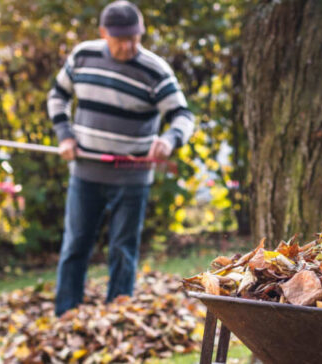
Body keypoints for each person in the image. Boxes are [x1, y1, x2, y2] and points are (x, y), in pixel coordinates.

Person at [46, 0, 194, 316]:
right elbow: (57, 96)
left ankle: (118, 318)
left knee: (123, 251)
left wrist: (169, 139)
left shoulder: (155, 70)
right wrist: (65, 136)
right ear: (104, 33)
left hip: (131, 177)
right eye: (120, 39)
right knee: (75, 247)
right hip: (86, 173)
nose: (128, 46)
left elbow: (183, 115)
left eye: (134, 38)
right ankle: (65, 315)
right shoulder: (83, 56)